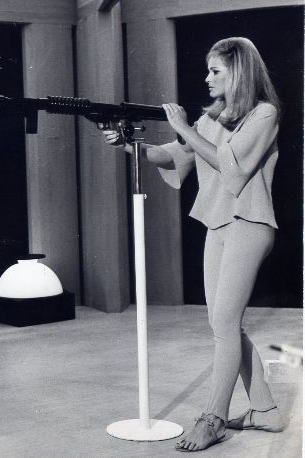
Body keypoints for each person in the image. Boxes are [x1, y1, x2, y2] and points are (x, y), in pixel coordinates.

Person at [102, 37, 284, 452]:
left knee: (224, 325)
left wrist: (184, 127)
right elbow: (172, 156)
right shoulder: (210, 119)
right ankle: (266, 411)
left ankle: (212, 419)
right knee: (224, 325)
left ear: (238, 72)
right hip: (218, 223)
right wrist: (127, 144)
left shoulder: (264, 114)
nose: (207, 78)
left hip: (250, 224)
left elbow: (232, 167)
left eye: (215, 71)